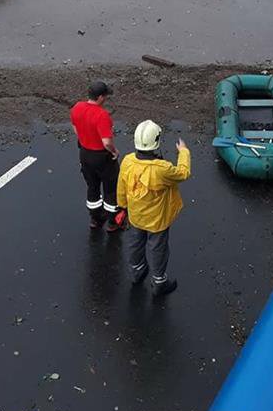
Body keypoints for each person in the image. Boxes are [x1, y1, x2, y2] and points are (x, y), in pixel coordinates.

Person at [117, 120, 191, 297]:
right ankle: (159, 282)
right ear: (156, 142)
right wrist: (184, 152)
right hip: (157, 220)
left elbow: (121, 186)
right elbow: (183, 173)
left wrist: (122, 207)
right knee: (158, 249)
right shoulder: (162, 169)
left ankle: (137, 272)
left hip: (135, 216)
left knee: (135, 244)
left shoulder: (127, 161)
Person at [70, 80, 121, 232]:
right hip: (102, 157)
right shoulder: (102, 115)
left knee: (92, 187)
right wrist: (114, 151)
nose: (105, 98)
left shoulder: (77, 108)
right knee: (111, 190)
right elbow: (106, 142)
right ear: (99, 97)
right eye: (105, 96)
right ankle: (113, 222)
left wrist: (84, 139)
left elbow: (75, 127)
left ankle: (95, 219)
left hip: (85, 154)